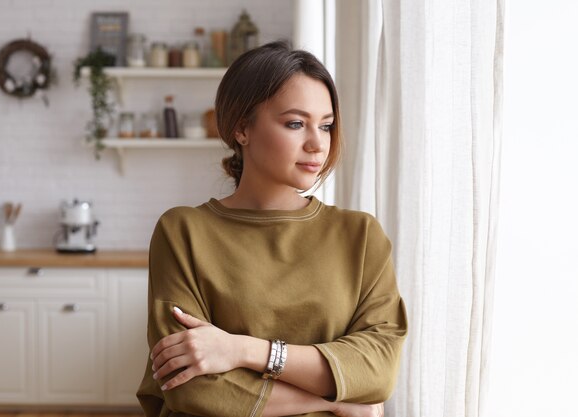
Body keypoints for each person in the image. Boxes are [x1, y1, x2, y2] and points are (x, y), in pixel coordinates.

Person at [136, 41, 407, 417]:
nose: (317, 144)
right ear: (241, 127)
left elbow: (378, 370)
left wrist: (242, 350)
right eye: (295, 123)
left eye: (326, 126)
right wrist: (340, 400)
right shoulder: (183, 231)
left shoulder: (360, 236)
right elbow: (189, 387)